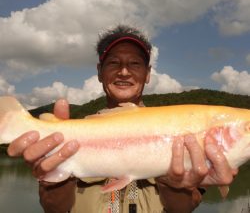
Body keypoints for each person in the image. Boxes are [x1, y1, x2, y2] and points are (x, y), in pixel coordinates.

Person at [8, 25, 237, 213]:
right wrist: (53, 177)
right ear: (100, 71)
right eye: (114, 63)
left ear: (147, 74)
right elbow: (55, 209)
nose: (124, 72)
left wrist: (174, 183)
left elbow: (183, 209)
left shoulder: (180, 130)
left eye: (135, 64)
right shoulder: (71, 133)